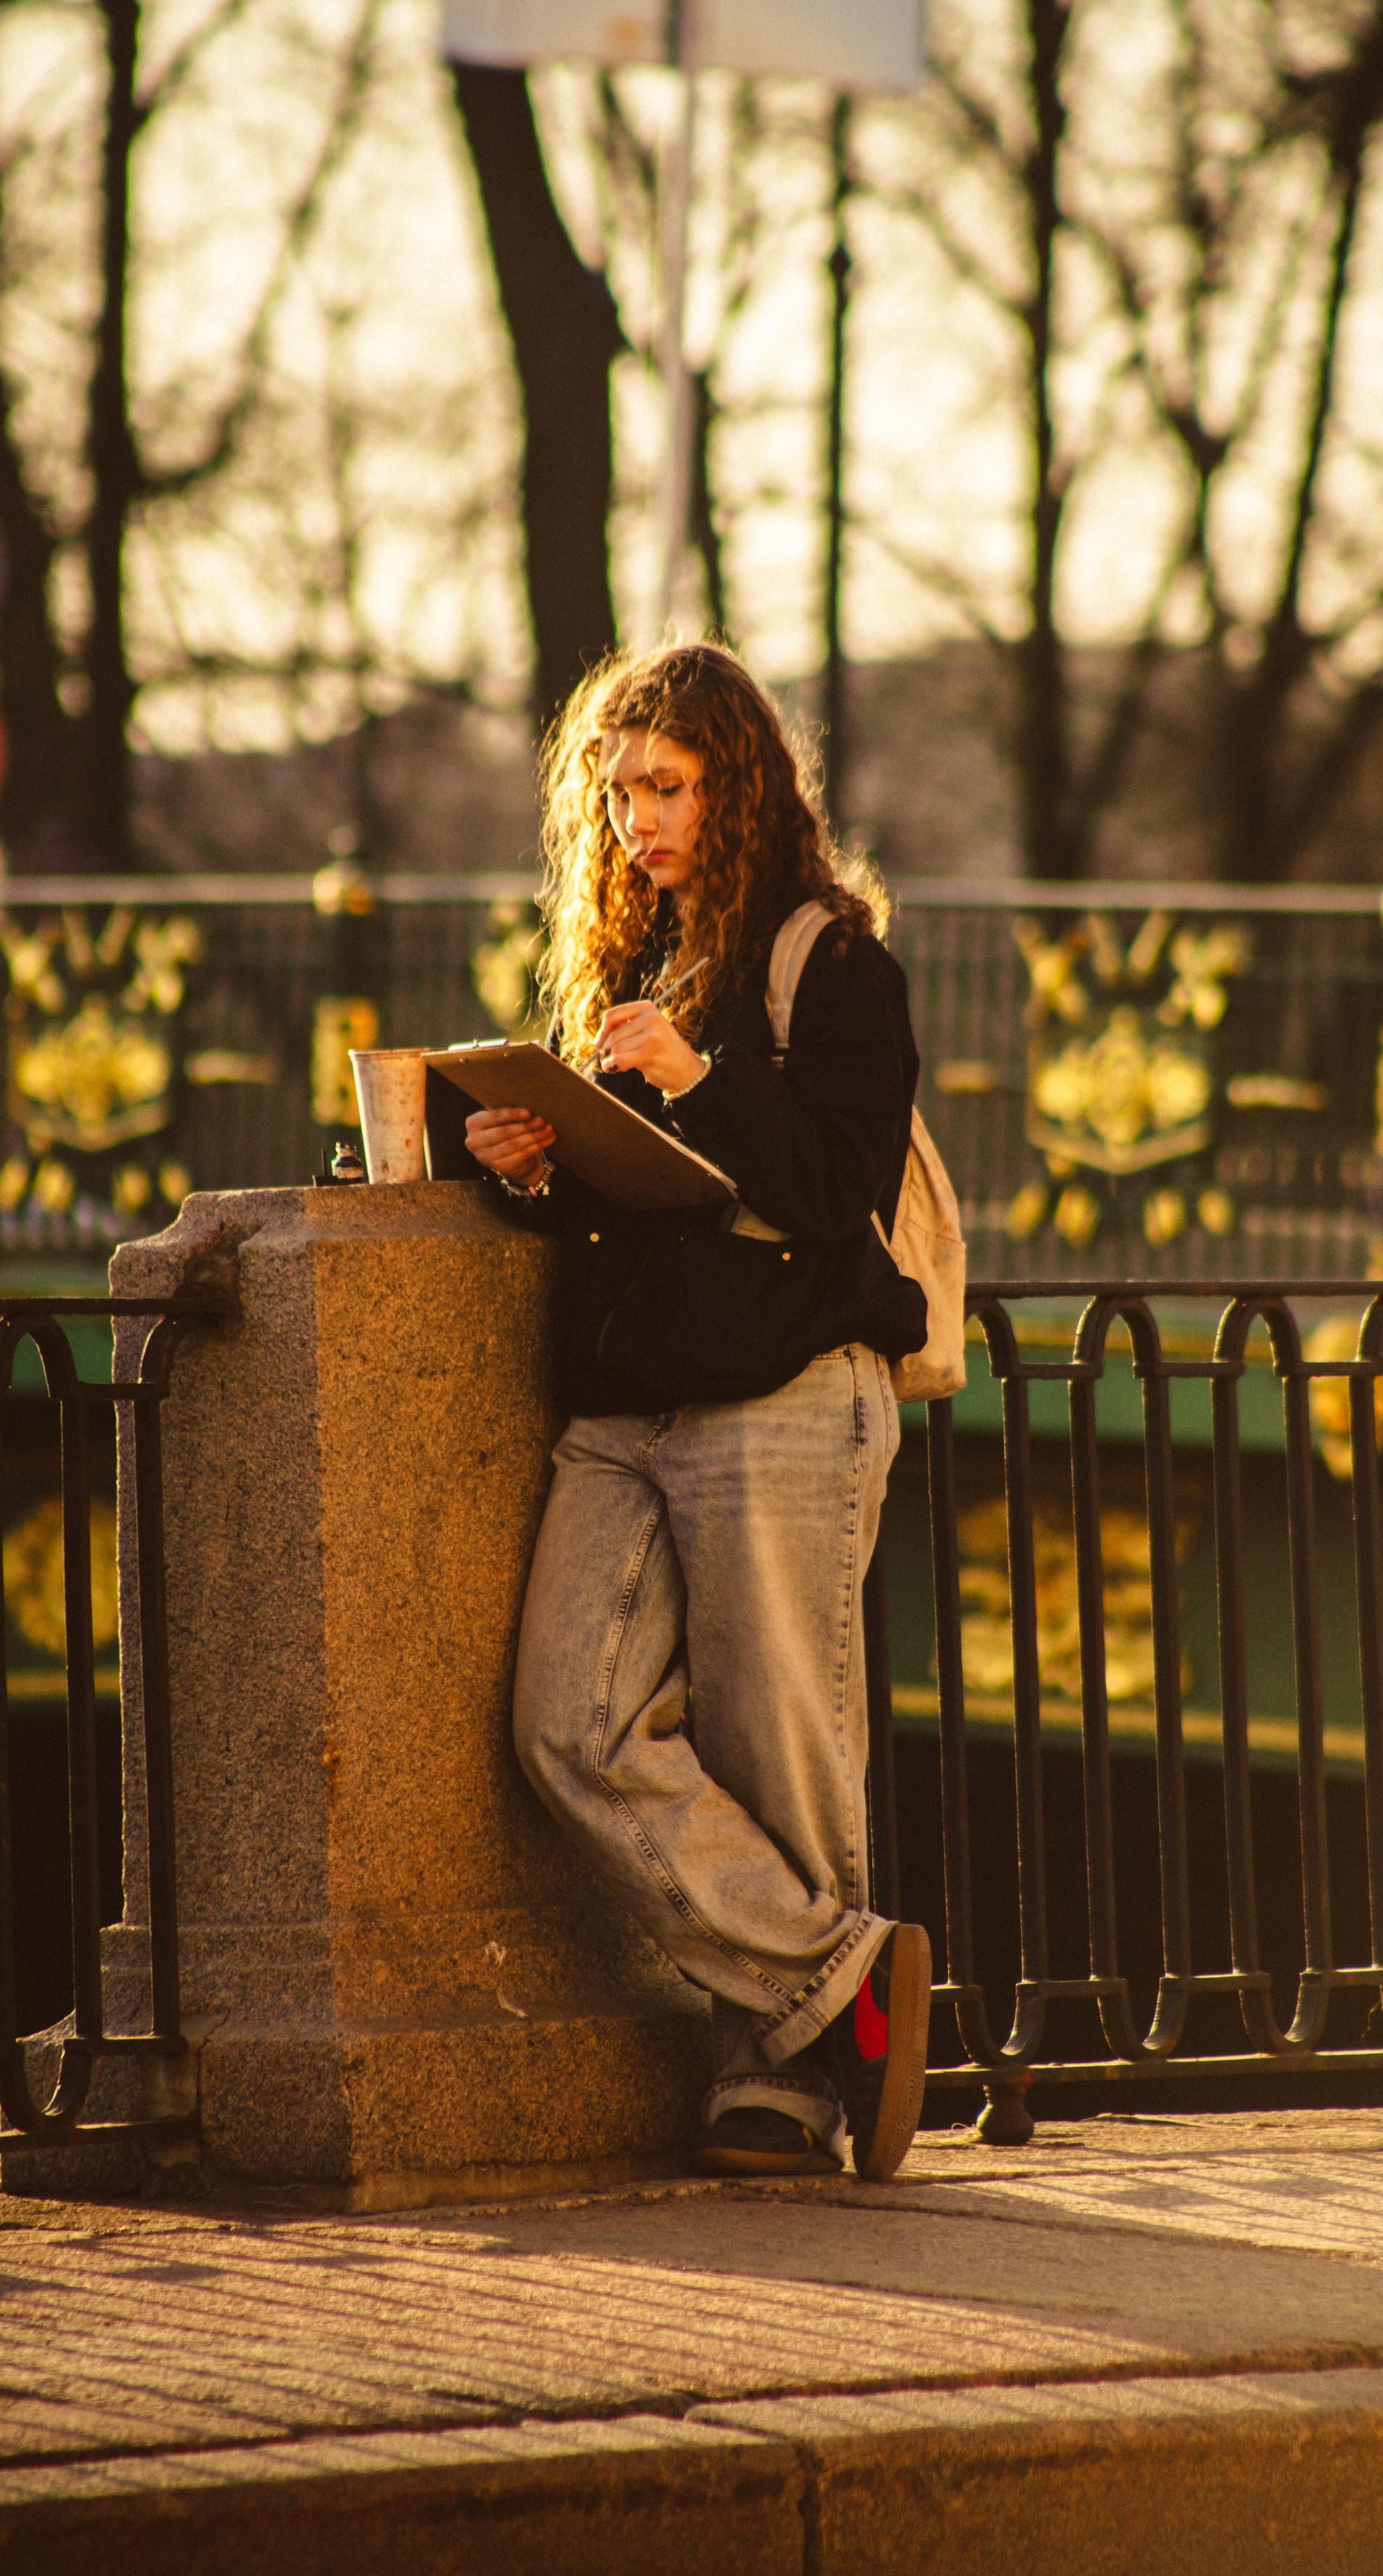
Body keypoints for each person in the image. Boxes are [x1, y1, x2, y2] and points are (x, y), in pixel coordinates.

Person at [465, 642, 934, 2182]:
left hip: (785, 1389)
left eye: (664, 788)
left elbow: (830, 1193)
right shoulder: (623, 963)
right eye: (613, 793)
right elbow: (635, 1210)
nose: (636, 822)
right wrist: (531, 1169)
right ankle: (836, 1977)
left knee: (774, 1746)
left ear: (738, 783)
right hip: (627, 1401)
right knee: (567, 1725)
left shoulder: (832, 961)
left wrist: (697, 1073)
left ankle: (783, 2090)